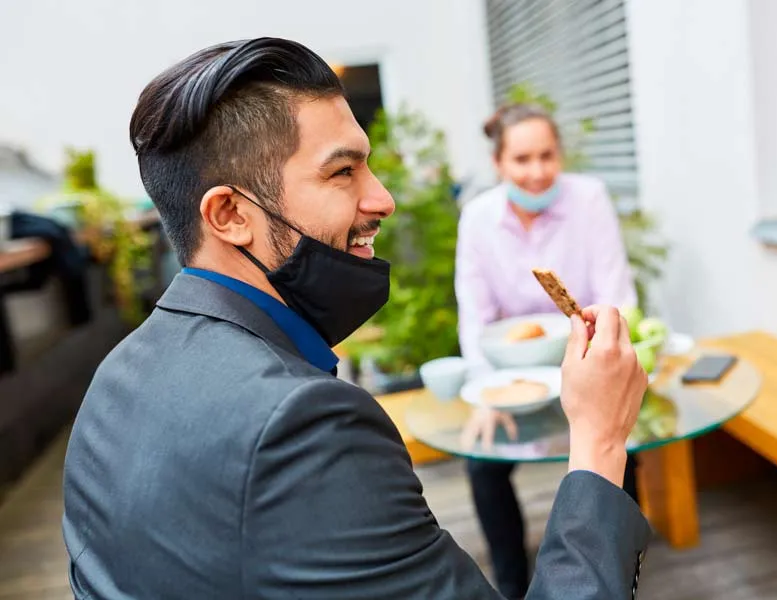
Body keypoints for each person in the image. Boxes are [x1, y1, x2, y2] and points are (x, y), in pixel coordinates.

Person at [62, 38, 650, 599]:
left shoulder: (115, 379)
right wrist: (598, 439)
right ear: (231, 214)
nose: (383, 199)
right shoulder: (305, 426)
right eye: (343, 172)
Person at [455, 103, 641, 599]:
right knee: (482, 465)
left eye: (546, 156)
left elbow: (618, 294)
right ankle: (512, 583)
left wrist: (604, 338)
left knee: (628, 450)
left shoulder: (590, 199)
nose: (536, 172)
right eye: (521, 159)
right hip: (512, 377)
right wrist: (484, 391)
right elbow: (475, 317)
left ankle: (620, 574)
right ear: (499, 163)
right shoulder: (477, 218)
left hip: (582, 360)